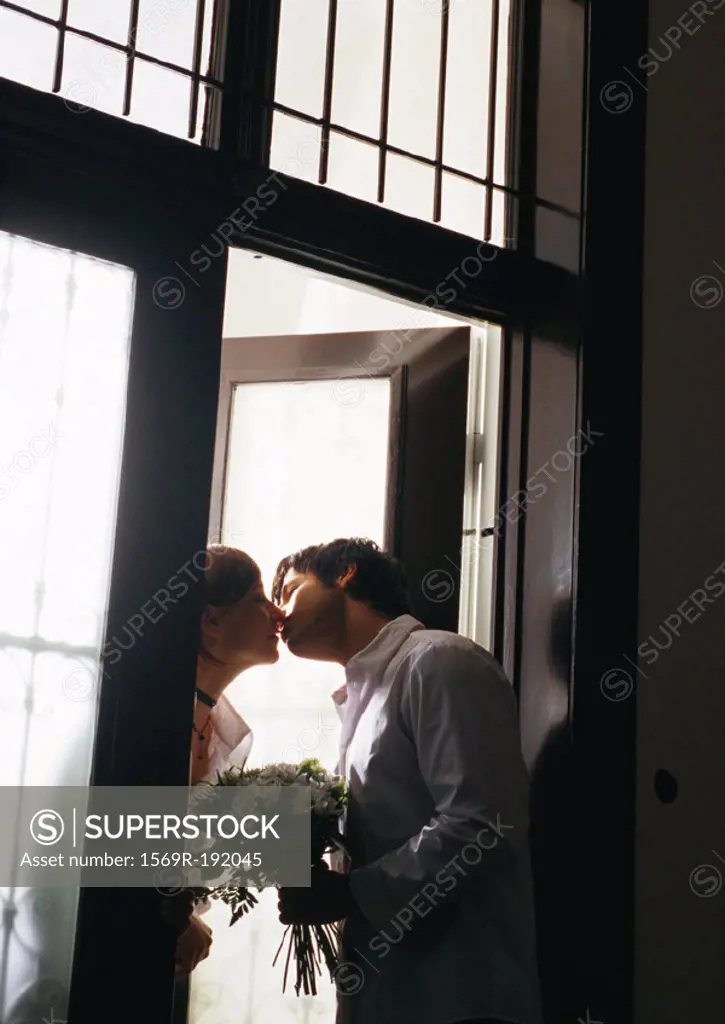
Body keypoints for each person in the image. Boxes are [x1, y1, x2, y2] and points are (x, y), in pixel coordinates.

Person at [273, 538, 543, 1024]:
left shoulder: (438, 661)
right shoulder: (364, 696)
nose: (279, 612)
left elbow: (482, 825)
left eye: (290, 590)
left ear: (346, 574)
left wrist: (351, 892)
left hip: (459, 996)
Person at [171, 545, 283, 982]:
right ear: (211, 620)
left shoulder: (223, 731)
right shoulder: (147, 717)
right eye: (258, 598)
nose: (278, 614)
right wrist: (174, 917)